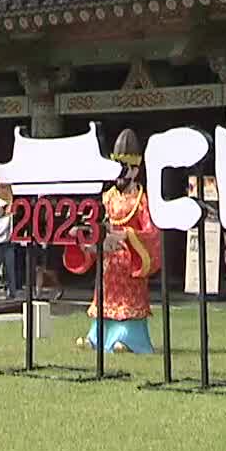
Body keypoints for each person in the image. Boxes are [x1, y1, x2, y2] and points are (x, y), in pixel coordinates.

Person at [65, 130, 162, 354]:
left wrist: (128, 236)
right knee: (104, 299)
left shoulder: (142, 200)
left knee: (128, 302)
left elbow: (151, 232)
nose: (119, 175)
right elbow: (95, 224)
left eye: (124, 168)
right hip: (108, 261)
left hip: (130, 260)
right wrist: (84, 235)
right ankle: (96, 336)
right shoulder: (106, 197)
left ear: (135, 170)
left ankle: (130, 339)